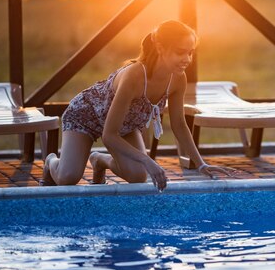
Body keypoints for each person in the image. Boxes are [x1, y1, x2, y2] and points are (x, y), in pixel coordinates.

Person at [42, 20, 232, 191]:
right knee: (68, 178)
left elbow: (179, 125)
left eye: (191, 52)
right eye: (180, 52)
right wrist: (147, 159)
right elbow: (109, 136)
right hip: (85, 116)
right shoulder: (134, 76)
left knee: (138, 176)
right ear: (160, 47)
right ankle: (51, 161)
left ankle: (99, 160)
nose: (187, 59)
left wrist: (200, 164)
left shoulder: (178, 78)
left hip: (124, 124)